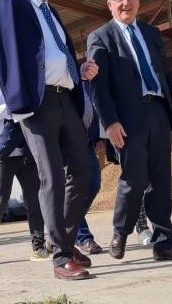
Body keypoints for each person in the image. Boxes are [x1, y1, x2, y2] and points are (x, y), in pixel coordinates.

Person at [0, 0, 99, 280]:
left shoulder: (52, 13)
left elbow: (54, 55)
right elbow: (3, 55)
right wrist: (18, 102)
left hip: (66, 98)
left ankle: (63, 240)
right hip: (37, 105)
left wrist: (79, 70)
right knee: (51, 175)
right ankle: (61, 257)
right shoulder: (12, 7)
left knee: (83, 171)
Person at [87, 0, 172, 262]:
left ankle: (163, 242)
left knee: (161, 180)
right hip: (127, 119)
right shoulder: (100, 37)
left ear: (139, 1)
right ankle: (121, 231)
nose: (126, 2)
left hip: (158, 112)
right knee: (134, 178)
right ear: (110, 4)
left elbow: (163, 73)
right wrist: (110, 122)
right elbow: (98, 87)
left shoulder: (151, 33)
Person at [0, 49, 48, 265]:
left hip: (24, 148)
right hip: (0, 151)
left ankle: (38, 245)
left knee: (34, 199)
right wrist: (8, 108)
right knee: (0, 200)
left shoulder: (16, 82)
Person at [73, 82, 103, 255]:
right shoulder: (69, 77)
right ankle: (83, 238)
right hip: (68, 141)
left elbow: (94, 107)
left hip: (88, 141)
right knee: (74, 189)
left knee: (94, 183)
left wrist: (98, 136)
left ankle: (64, 226)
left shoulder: (89, 82)